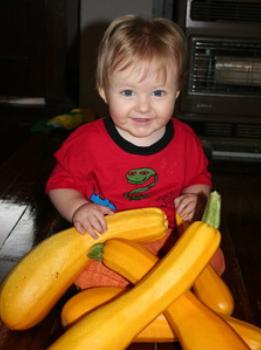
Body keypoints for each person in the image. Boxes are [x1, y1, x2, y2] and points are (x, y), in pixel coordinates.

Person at [46, 15, 224, 289]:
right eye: (128, 93)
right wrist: (79, 208)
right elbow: (60, 185)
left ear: (176, 93)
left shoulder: (185, 140)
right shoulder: (88, 141)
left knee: (215, 259)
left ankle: (153, 291)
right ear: (105, 91)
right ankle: (163, 292)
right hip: (109, 237)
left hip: (167, 235)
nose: (143, 107)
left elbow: (199, 179)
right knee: (85, 272)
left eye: (158, 93)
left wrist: (195, 196)